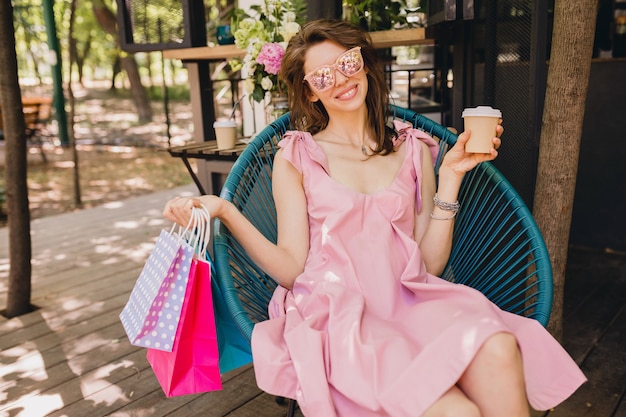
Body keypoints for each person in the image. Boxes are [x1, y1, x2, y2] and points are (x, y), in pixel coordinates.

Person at [164, 19, 585, 417]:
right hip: (341, 313)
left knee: (498, 346)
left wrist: (452, 175)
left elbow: (430, 265)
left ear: (363, 61)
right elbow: (293, 268)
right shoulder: (296, 157)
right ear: (310, 92)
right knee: (459, 411)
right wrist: (225, 211)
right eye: (323, 76)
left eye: (347, 63)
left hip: (411, 300)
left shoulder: (412, 147)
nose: (342, 80)